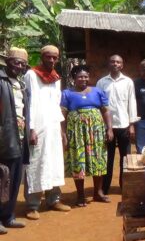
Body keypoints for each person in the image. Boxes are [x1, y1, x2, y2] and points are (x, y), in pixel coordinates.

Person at [24, 45, 70, 221]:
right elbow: (30, 104)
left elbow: (56, 105)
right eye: (48, 57)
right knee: (36, 163)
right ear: (42, 57)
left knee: (54, 163)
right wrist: (31, 129)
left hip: (53, 127)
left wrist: (61, 130)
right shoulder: (31, 75)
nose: (51, 60)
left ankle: (54, 200)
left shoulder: (56, 78)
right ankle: (32, 205)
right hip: (37, 128)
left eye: (54, 58)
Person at [61, 65, 113, 207]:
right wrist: (63, 134)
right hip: (76, 132)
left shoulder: (98, 91)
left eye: (85, 76)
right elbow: (63, 115)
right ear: (74, 79)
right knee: (78, 160)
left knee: (98, 159)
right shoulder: (67, 93)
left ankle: (98, 192)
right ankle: (80, 195)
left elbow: (106, 111)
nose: (83, 79)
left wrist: (109, 129)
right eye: (80, 77)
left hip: (95, 132)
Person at [96, 55, 137, 194]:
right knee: (108, 158)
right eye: (112, 61)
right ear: (109, 63)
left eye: (118, 62)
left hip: (124, 125)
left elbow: (132, 103)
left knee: (125, 158)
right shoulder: (102, 82)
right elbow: (99, 104)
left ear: (122, 65)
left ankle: (124, 186)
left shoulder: (128, 82)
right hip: (107, 127)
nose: (115, 63)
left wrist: (131, 125)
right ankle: (105, 188)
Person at [0, 47, 30, 234]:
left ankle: (9, 216)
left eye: (22, 64)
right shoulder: (1, 81)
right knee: (2, 178)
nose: (18, 66)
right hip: (4, 136)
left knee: (15, 178)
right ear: (7, 62)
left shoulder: (20, 84)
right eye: (15, 62)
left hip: (19, 137)